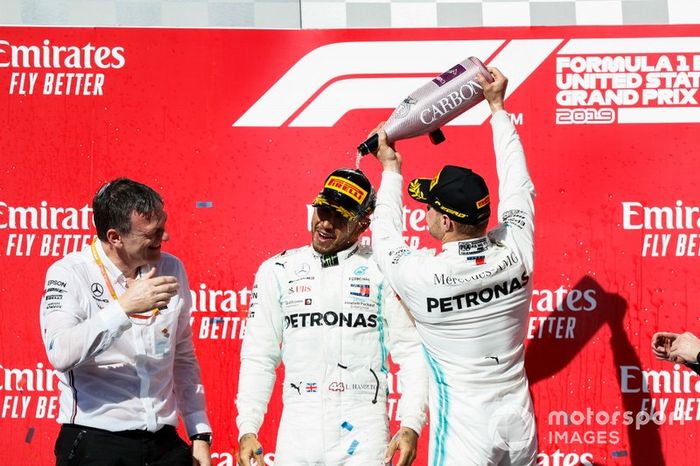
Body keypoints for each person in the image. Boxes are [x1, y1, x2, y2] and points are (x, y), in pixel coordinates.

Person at [368, 68, 538, 465]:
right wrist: (497, 107)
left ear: (445, 222)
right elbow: (518, 182)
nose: (424, 214)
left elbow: (384, 238)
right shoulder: (516, 246)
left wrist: (390, 170)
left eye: (428, 208)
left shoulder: (422, 276)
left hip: (468, 431)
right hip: (519, 423)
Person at [235, 168, 428, 466]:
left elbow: (412, 352)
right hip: (299, 431)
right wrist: (248, 428)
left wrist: (411, 421)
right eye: (322, 210)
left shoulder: (382, 269)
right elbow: (259, 356)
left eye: (339, 216)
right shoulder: (277, 269)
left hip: (363, 431)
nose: (325, 223)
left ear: (363, 223)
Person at [40, 178, 212, 466]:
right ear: (115, 237)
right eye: (152, 233)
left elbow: (182, 357)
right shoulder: (69, 273)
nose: (164, 237)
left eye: (163, 225)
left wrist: (199, 434)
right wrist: (124, 308)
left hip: (163, 442)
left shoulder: (171, 267)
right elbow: (60, 352)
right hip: (96, 441)